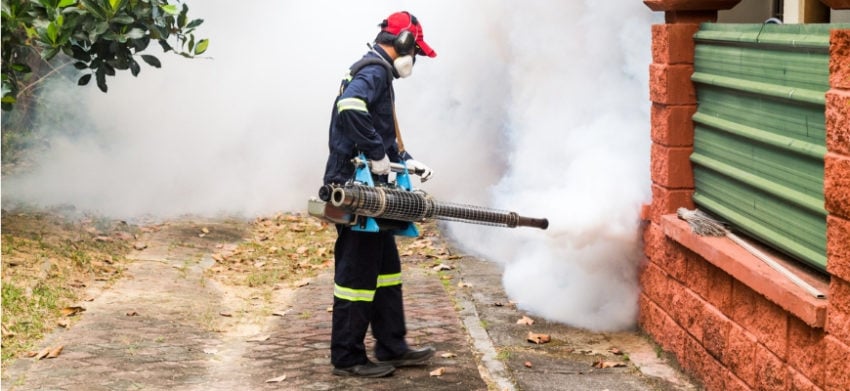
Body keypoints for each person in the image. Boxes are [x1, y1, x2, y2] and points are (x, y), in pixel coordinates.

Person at [322, 11, 438, 378]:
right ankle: (347, 357)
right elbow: (350, 108)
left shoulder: (378, 73)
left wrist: (404, 160)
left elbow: (382, 132)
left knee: (386, 271)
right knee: (357, 275)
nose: (414, 59)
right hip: (353, 188)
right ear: (403, 43)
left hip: (371, 188)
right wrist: (375, 153)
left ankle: (392, 345)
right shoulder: (373, 72)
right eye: (415, 51)